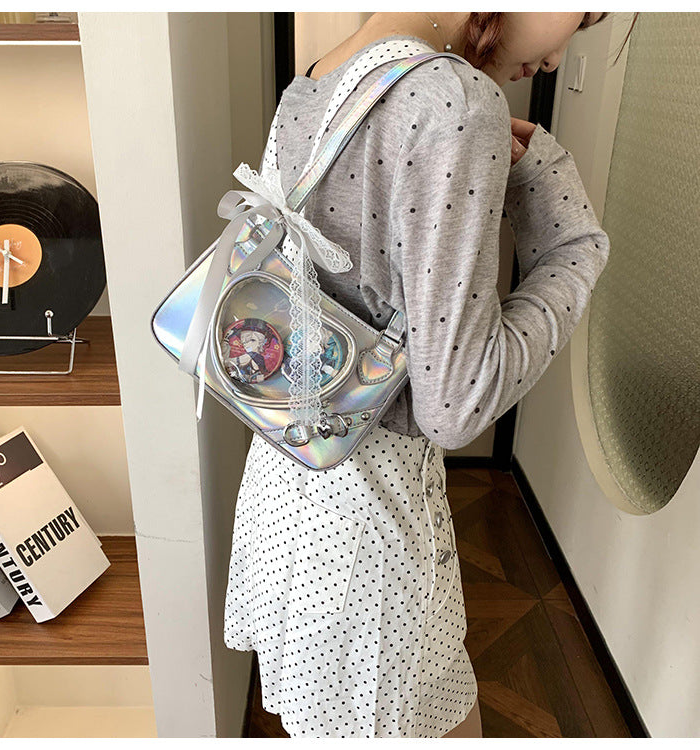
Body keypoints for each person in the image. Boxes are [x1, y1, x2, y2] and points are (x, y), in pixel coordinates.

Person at [224, 11, 620, 739]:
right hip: (368, 532)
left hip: (285, 497)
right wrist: (574, 247)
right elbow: (456, 405)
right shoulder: (455, 100)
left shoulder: (311, 84)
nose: (558, 58)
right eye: (583, 13)